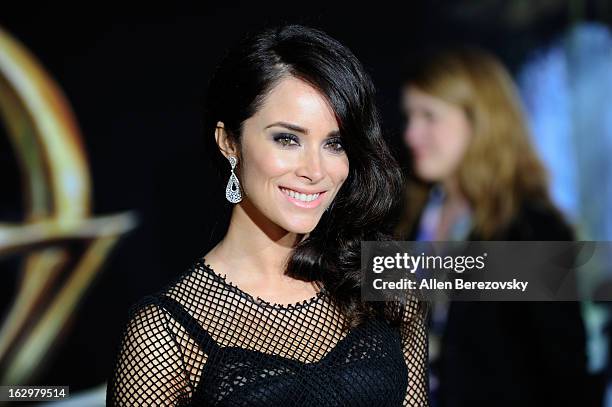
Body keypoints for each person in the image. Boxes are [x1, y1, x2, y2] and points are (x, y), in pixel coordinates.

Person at [106, 24, 430, 406]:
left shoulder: (383, 281)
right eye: (287, 139)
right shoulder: (164, 333)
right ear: (229, 142)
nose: (315, 170)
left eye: (335, 143)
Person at [395, 47, 593, 406]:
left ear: (480, 119)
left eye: (429, 116)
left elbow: (565, 375)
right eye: (409, 116)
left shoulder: (529, 228)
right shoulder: (408, 213)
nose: (411, 134)